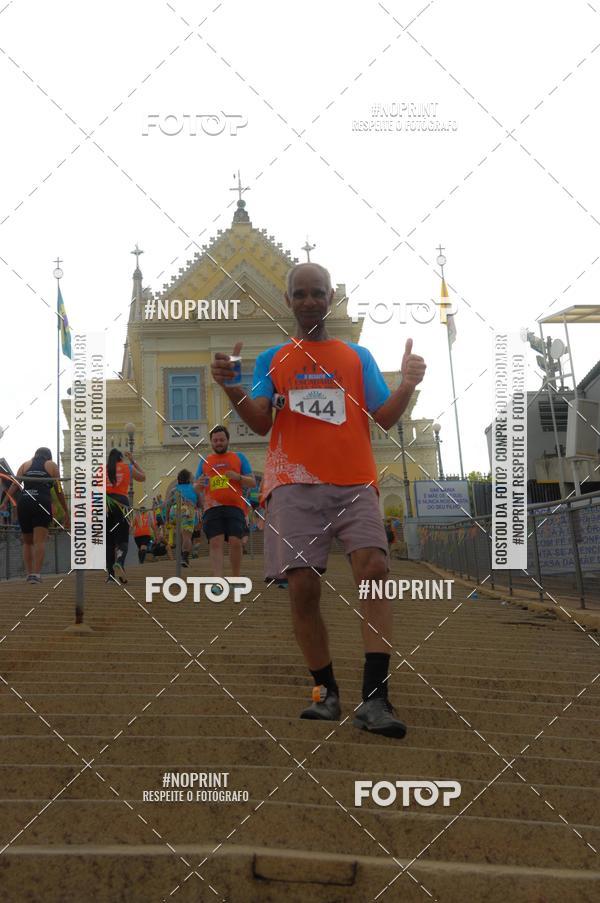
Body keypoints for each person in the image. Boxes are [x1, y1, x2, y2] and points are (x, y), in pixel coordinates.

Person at [210, 262, 426, 739]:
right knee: (303, 589)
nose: (310, 301)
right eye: (301, 293)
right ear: (288, 300)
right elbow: (260, 421)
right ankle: (325, 691)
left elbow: (384, 417)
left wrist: (408, 385)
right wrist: (230, 386)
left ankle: (376, 698)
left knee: (374, 570)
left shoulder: (357, 357)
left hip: (355, 481)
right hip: (292, 484)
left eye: (318, 293)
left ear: (331, 298)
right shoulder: (273, 359)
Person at [193, 425, 255, 583]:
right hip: (212, 508)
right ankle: (218, 580)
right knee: (215, 542)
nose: (218, 443)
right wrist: (198, 484)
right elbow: (196, 487)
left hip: (235, 507)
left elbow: (253, 482)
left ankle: (236, 578)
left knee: (236, 542)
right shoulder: (205, 461)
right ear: (211, 442)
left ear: (228, 440)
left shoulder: (239, 457)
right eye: (215, 440)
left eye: (221, 440)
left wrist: (238, 477)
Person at [7, 447, 70, 583]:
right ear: (49, 456)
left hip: (24, 502)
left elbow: (14, 485)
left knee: (27, 542)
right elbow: (59, 489)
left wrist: (3, 502)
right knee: (39, 541)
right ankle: (36, 575)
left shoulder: (25, 465)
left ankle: (29, 574)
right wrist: (66, 510)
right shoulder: (52, 465)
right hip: (42, 502)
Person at [106, 448, 145, 584]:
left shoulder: (103, 469)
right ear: (121, 458)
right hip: (122, 503)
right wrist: (133, 461)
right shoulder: (127, 467)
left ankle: (111, 576)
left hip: (106, 504)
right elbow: (143, 477)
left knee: (109, 541)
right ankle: (119, 561)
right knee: (123, 538)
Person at [166, 469, 199, 568]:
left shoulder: (174, 489)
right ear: (189, 479)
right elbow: (200, 503)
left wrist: (167, 519)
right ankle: (184, 557)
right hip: (187, 511)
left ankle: (181, 554)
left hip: (174, 512)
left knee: (181, 534)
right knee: (187, 537)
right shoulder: (194, 488)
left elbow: (167, 505)